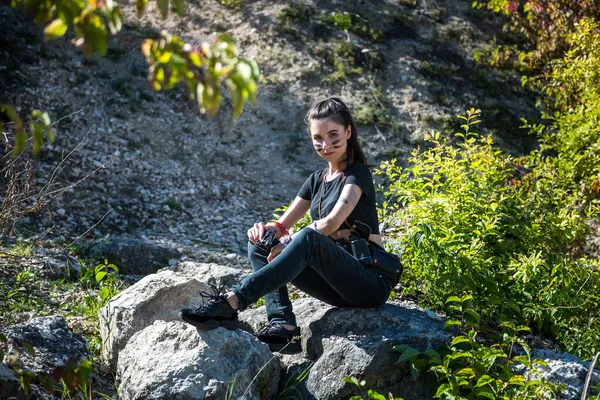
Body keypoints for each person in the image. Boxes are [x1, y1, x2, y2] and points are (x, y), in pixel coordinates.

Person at [180, 97, 394, 353]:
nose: (325, 144)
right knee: (261, 244)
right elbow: (281, 225)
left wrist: (289, 241)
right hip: (336, 286)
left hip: (368, 282)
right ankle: (283, 327)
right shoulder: (316, 180)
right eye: (318, 138)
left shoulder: (358, 174)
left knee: (308, 237)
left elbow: (332, 221)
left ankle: (234, 300)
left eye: (333, 135)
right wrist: (264, 231)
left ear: (348, 132)